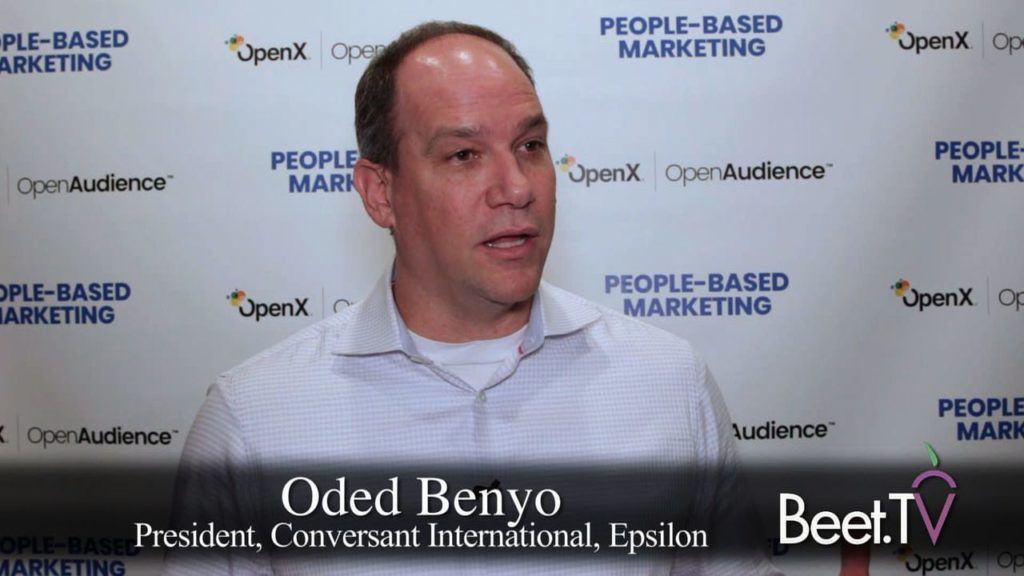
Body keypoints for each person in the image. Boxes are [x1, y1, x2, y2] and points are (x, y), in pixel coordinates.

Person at [165, 21, 781, 575]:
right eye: (464, 155)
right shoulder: (253, 420)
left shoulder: (668, 382)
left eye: (530, 146)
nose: (515, 188)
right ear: (380, 193)